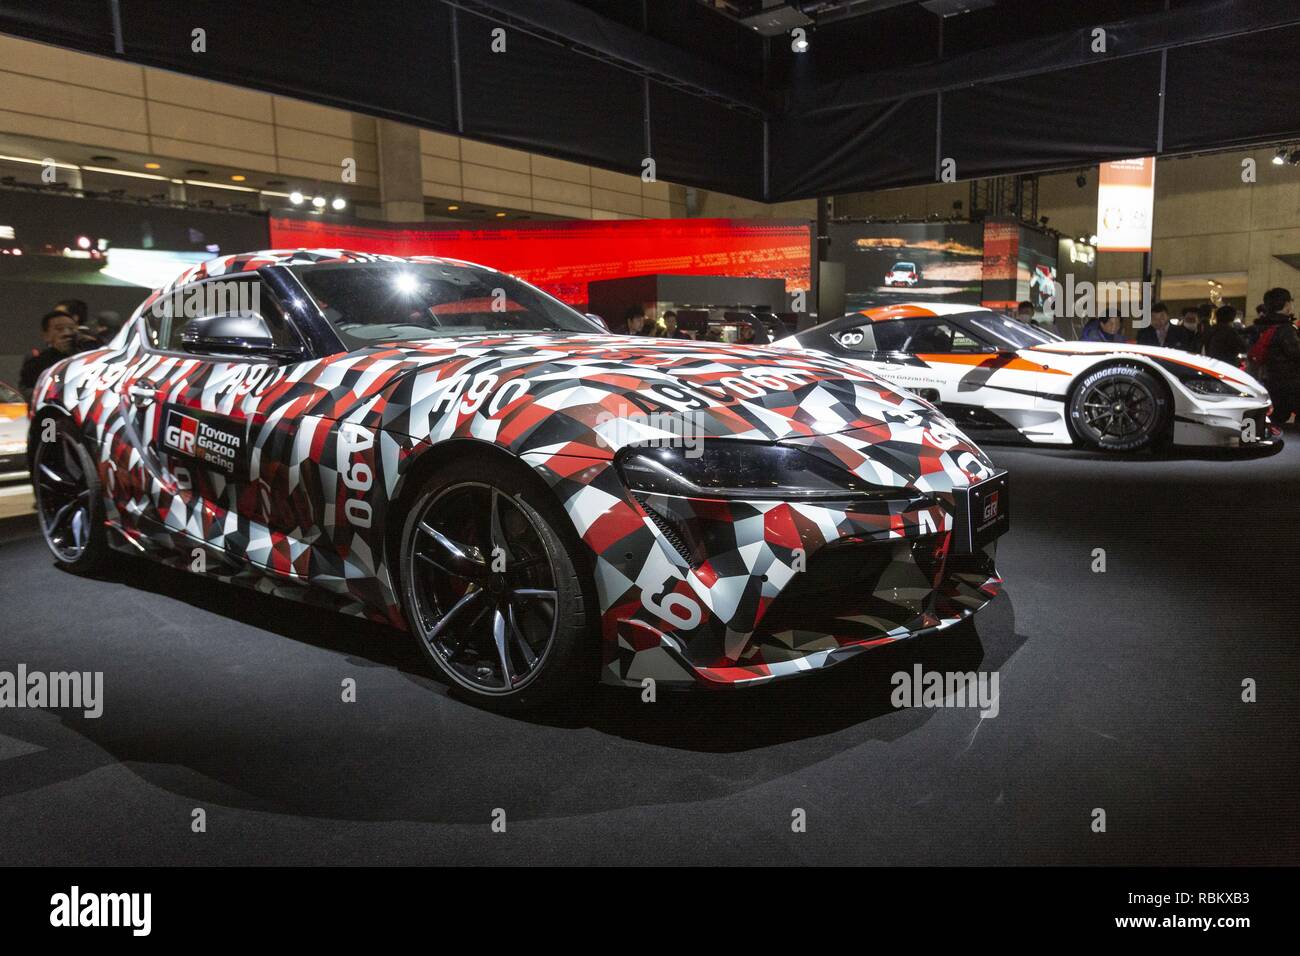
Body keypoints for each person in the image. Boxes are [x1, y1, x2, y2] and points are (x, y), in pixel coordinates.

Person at [1250, 287, 1300, 424]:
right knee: (1280, 416)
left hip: (1268, 379)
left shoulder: (1259, 327)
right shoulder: (1285, 328)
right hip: (1289, 382)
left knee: (1276, 416)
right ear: (1286, 305)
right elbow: (1296, 353)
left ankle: (1254, 438)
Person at [19, 310, 90, 400]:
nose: (67, 333)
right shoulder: (37, 362)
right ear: (46, 335)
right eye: (59, 329)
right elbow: (28, 391)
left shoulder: (88, 356)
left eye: (71, 329)